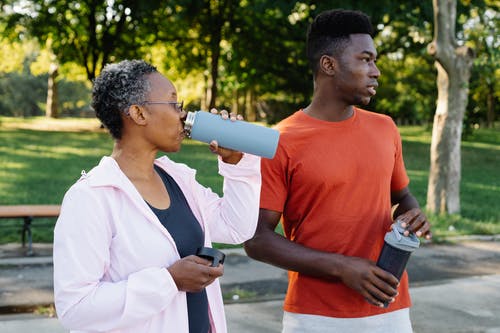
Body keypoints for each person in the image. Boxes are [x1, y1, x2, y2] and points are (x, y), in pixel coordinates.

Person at [244, 9, 432, 333]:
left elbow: (402, 197)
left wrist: (413, 215)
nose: (376, 72)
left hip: (391, 310)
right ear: (328, 65)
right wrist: (342, 267)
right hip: (315, 318)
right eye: (365, 60)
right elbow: (257, 239)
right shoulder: (280, 141)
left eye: (375, 61)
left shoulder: (385, 128)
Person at [53, 59, 261, 333]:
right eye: (175, 104)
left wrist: (235, 161)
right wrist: (169, 281)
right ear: (138, 114)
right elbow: (75, 308)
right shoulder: (91, 198)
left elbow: (237, 227)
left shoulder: (178, 180)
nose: (184, 116)